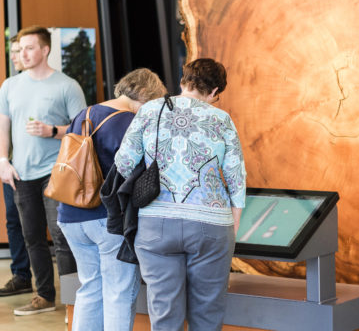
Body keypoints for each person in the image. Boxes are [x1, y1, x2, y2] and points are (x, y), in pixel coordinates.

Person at [115, 58, 247, 331]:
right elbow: (236, 177)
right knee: (208, 315)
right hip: (211, 224)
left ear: (183, 81)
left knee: (164, 315)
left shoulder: (151, 110)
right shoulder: (221, 119)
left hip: (156, 223)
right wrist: (234, 226)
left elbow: (124, 163)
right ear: (213, 92)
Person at [57, 68, 167, 331]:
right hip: (106, 219)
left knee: (90, 287)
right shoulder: (128, 121)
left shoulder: (83, 115)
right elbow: (136, 173)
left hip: (70, 214)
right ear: (144, 95)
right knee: (118, 292)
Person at [0, 26, 86, 315]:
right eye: (20, 48)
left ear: (45, 50)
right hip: (21, 174)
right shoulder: (10, 86)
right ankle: (45, 297)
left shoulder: (67, 85)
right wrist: (3, 161)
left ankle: (75, 302)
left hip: (56, 173)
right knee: (32, 237)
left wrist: (53, 131)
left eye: (29, 48)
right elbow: (4, 127)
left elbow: (83, 131)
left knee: (62, 237)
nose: (22, 53)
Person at [0, 36, 32, 296]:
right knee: (13, 220)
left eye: (18, 51)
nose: (14, 56)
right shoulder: (9, 86)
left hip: (41, 168)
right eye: (12, 52)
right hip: (13, 167)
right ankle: (21, 275)